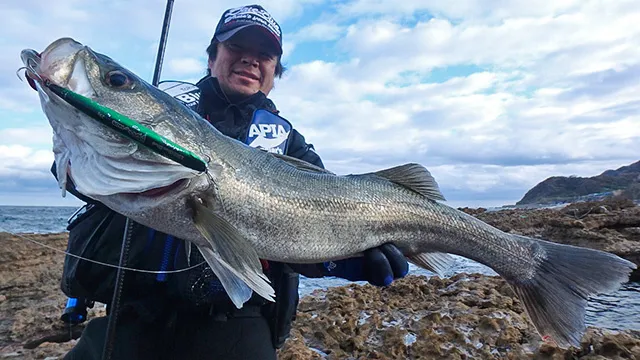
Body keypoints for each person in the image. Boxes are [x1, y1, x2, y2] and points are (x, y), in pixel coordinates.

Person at [56, 4, 409, 360]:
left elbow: (300, 240)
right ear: (212, 59)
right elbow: (83, 175)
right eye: (236, 48)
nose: (250, 60)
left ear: (275, 72)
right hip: (131, 312)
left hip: (237, 322)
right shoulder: (162, 113)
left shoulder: (292, 146)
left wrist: (336, 260)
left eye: (264, 54)